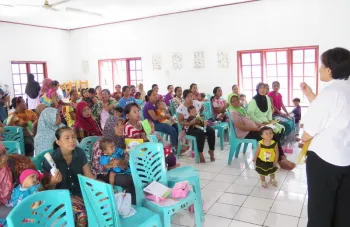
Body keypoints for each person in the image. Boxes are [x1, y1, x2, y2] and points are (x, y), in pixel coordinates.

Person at [300, 47, 350, 227]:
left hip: (324, 160)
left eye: (322, 65)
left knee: (320, 209)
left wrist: (304, 138)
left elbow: (309, 131)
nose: (319, 68)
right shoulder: (345, 90)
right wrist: (310, 94)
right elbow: (334, 113)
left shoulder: (330, 93)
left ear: (330, 69)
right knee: (343, 210)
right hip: (345, 159)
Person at [43, 127, 95, 227]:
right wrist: (53, 182)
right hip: (60, 196)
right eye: (67, 138)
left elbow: (88, 176)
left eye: (73, 137)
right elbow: (47, 190)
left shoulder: (79, 153)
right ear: (58, 142)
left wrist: (99, 189)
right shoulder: (51, 160)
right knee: (82, 214)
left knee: (104, 201)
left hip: (79, 192)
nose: (72, 140)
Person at [228, 93, 296, 170]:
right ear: (230, 103)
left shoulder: (241, 109)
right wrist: (257, 129)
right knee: (268, 136)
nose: (236, 102)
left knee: (273, 133)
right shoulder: (233, 112)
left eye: (237, 99)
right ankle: (281, 160)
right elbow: (242, 127)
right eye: (233, 101)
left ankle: (281, 158)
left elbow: (250, 121)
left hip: (252, 129)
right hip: (245, 133)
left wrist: (261, 125)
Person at [91, 116, 136, 204]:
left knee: (136, 174)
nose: (121, 127)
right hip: (104, 173)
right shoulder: (100, 143)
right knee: (128, 179)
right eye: (116, 125)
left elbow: (125, 157)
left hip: (120, 169)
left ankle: (133, 202)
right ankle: (128, 204)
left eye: (121, 124)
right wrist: (112, 165)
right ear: (110, 127)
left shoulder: (120, 140)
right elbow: (97, 166)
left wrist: (121, 162)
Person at [177, 89, 216, 163]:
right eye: (188, 96)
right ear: (184, 98)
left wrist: (200, 119)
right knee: (200, 133)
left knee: (211, 130)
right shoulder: (181, 108)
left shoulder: (197, 103)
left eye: (191, 96)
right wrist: (190, 123)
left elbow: (201, 109)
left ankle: (211, 151)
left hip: (199, 123)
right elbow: (180, 121)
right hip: (189, 127)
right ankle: (200, 153)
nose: (190, 98)